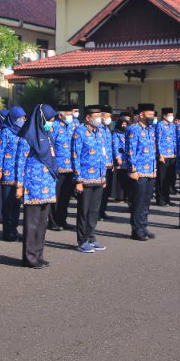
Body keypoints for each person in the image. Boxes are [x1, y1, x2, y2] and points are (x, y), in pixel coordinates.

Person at [15, 104, 58, 268]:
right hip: (33, 185)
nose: (51, 123)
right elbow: (20, 162)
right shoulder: (27, 137)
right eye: (49, 120)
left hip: (47, 184)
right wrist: (19, 185)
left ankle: (39, 254)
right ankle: (29, 257)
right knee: (31, 224)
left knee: (42, 223)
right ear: (41, 118)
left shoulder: (47, 134)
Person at [72, 104, 108, 253]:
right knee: (84, 211)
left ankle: (91, 237)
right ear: (88, 118)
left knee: (94, 211)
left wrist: (103, 176)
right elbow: (75, 156)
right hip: (85, 179)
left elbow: (102, 154)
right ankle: (82, 240)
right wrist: (78, 180)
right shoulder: (79, 132)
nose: (99, 119)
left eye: (100, 116)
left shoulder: (100, 132)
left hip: (98, 178)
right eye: (97, 116)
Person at [126, 103, 158, 241]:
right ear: (141, 115)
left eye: (153, 115)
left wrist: (154, 168)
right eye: (150, 114)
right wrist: (132, 169)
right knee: (138, 202)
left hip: (150, 171)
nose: (152, 117)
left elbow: (152, 150)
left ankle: (143, 226)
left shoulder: (150, 129)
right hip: (139, 171)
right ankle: (136, 229)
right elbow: (131, 150)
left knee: (146, 201)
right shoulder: (134, 129)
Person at [0, 106, 27, 241]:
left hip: (19, 174)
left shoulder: (23, 132)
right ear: (13, 119)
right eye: (20, 118)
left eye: (24, 118)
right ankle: (7, 231)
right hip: (8, 173)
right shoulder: (5, 132)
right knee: (8, 203)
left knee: (17, 204)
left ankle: (14, 228)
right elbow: (0, 151)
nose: (23, 120)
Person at [49, 103, 75, 231]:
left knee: (66, 196)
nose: (71, 116)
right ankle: (53, 221)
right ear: (60, 115)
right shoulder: (53, 127)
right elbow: (50, 147)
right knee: (56, 197)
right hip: (57, 167)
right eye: (68, 114)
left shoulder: (72, 126)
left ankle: (62, 219)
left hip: (70, 167)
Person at [154, 107, 178, 206]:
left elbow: (174, 139)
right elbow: (158, 140)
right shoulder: (160, 125)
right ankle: (160, 198)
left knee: (169, 179)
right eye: (169, 115)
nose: (171, 117)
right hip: (163, 156)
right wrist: (160, 155)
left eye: (172, 115)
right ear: (164, 116)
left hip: (172, 155)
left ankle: (167, 198)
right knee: (161, 179)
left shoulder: (172, 125)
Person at [97, 105, 115, 221]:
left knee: (106, 191)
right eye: (108, 116)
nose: (110, 119)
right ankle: (97, 212)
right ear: (102, 117)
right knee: (100, 191)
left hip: (109, 164)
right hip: (101, 165)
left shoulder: (107, 129)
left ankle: (103, 211)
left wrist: (112, 162)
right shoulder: (97, 129)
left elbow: (109, 147)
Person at [110, 115, 131, 208]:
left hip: (127, 158)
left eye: (125, 124)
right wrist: (117, 157)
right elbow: (115, 145)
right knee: (119, 178)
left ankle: (126, 195)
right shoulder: (116, 133)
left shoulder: (128, 132)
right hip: (120, 157)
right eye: (122, 124)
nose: (124, 125)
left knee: (126, 178)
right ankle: (118, 197)